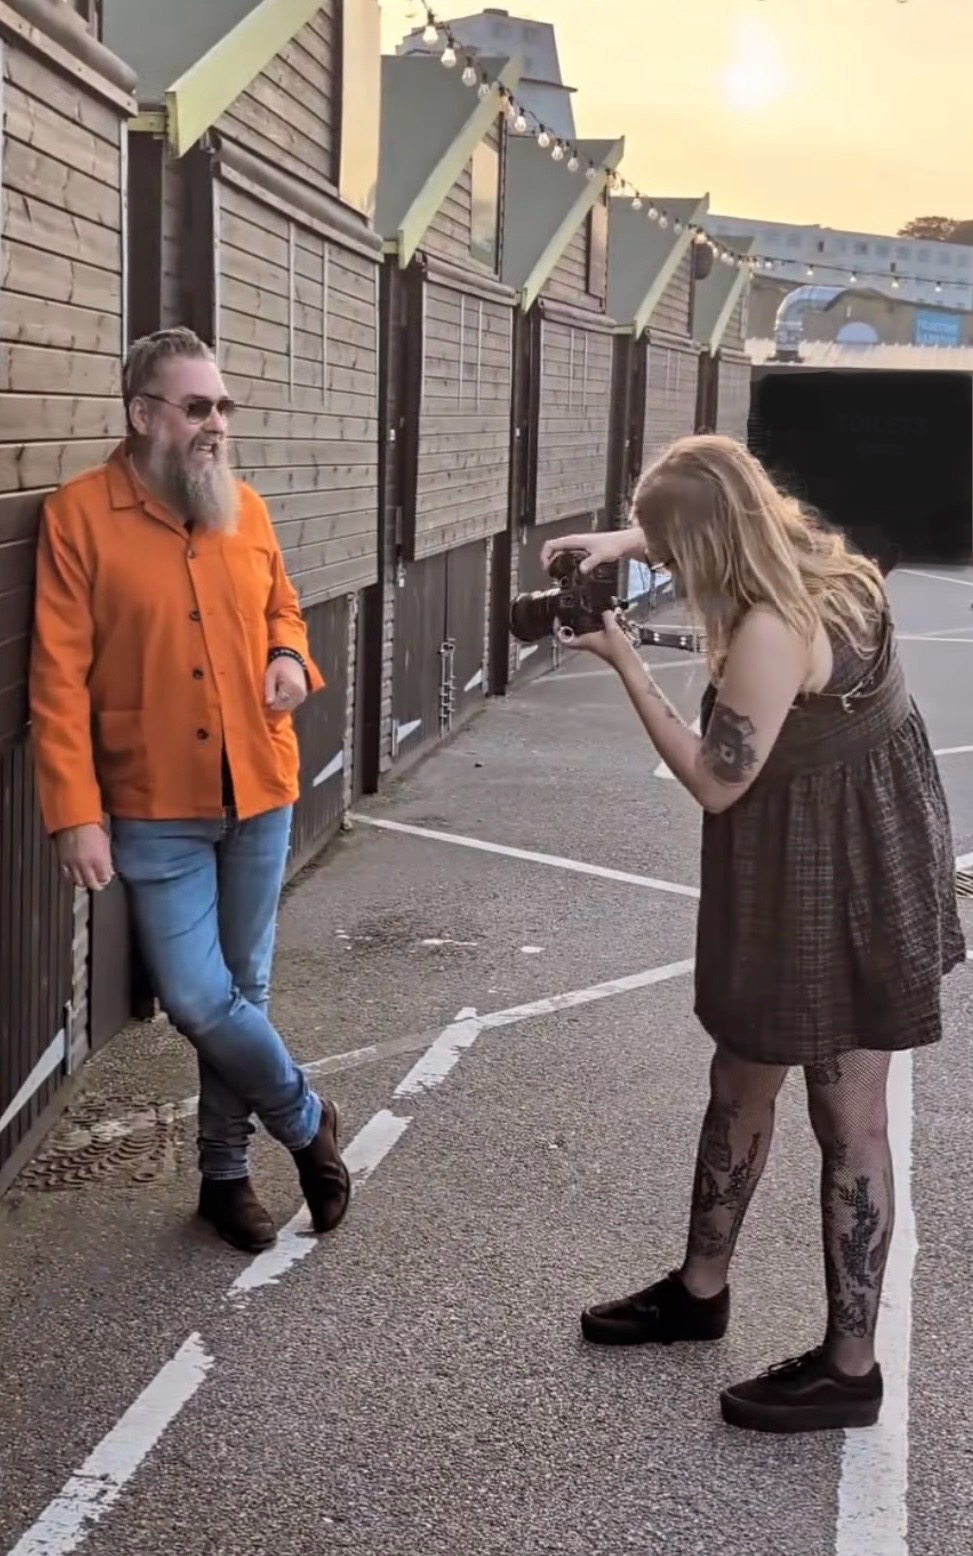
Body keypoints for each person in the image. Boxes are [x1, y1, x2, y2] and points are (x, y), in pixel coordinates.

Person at [542, 434, 964, 1435]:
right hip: (829, 850)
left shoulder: (776, 627)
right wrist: (620, 540)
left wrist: (624, 661)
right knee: (742, 1073)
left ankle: (848, 1367)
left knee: (846, 1114)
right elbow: (710, 524)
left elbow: (716, 775)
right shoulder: (829, 557)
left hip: (834, 878)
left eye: (665, 548)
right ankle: (699, 1288)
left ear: (706, 544)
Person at [30, 326, 350, 1255]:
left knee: (243, 988)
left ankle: (223, 1177)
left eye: (224, 407)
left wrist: (290, 655)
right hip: (149, 804)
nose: (217, 424)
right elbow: (56, 678)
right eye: (197, 406)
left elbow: (282, 608)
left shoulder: (243, 507)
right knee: (201, 999)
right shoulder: (80, 517)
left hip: (259, 786)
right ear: (143, 415)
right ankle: (305, 1118)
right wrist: (74, 813)